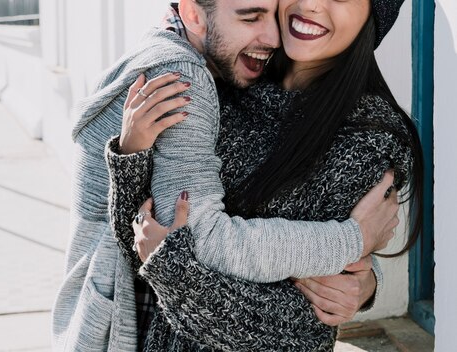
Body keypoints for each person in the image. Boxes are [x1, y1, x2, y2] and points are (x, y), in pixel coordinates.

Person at [52, 1, 400, 350]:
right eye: (251, 17)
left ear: (373, 17)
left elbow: (299, 330)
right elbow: (145, 243)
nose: (310, 4)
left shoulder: (366, 138)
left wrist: (361, 273)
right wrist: (131, 160)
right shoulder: (228, 75)